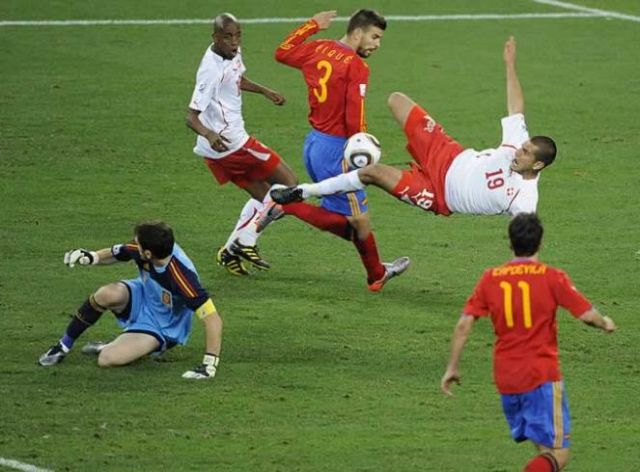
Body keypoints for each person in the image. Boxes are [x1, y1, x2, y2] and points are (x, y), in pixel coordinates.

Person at [271, 37, 556, 218]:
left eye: (526, 153)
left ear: (538, 165)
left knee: (373, 173)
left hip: (438, 194)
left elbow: (528, 240)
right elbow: (516, 109)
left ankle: (302, 192)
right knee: (397, 100)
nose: (518, 151)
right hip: (447, 152)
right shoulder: (517, 144)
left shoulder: (525, 199)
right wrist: (509, 64)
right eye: (522, 146)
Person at [441, 213, 616, 471]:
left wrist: (452, 367)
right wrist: (605, 323)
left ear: (510, 243)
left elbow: (464, 324)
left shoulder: (491, 278)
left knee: (544, 450)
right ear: (541, 242)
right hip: (540, 376)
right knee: (559, 454)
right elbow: (587, 315)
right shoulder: (551, 277)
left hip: (506, 379)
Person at [261, 9, 409, 292]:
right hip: (336, 151)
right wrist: (362, 149)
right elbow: (355, 115)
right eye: (374, 37)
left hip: (313, 143)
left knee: (353, 221)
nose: (377, 44)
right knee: (359, 221)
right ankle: (287, 206)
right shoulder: (356, 66)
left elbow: (282, 52)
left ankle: (377, 274)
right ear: (357, 32)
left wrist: (312, 25)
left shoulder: (318, 48)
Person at [186, 12, 300, 276]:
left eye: (238, 35)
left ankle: (230, 251)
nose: (235, 41)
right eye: (228, 37)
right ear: (215, 38)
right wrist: (209, 134)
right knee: (289, 187)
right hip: (231, 144)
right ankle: (246, 240)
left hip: (219, 150)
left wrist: (264, 91)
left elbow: (236, 79)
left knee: (267, 200)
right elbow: (191, 116)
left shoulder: (232, 52)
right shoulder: (210, 70)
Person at [38, 221, 223, 380]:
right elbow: (118, 253)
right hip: (143, 294)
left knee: (106, 359)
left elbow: (213, 319)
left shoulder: (182, 277)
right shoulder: (149, 249)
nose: (134, 244)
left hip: (162, 325)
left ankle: (114, 347)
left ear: (148, 254)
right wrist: (92, 257)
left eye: (138, 243)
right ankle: (63, 346)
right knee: (106, 294)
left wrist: (209, 365)